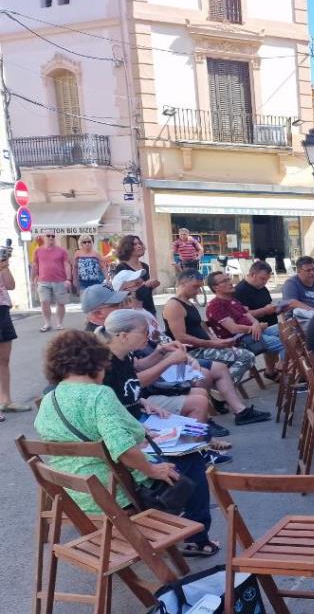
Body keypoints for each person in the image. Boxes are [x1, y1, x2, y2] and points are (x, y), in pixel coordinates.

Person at [35, 330, 218, 555]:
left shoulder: (48, 399)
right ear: (97, 361)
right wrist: (152, 470)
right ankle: (197, 540)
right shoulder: (98, 395)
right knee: (192, 458)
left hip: (73, 493)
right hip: (111, 494)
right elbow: (123, 450)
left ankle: (183, 531)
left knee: (170, 459)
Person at [162, 269, 265, 400]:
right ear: (183, 283)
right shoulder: (174, 305)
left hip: (205, 347)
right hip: (192, 352)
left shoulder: (188, 303)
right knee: (246, 356)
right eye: (195, 286)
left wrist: (215, 340)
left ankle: (220, 390)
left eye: (200, 287)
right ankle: (219, 391)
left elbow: (200, 326)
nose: (198, 291)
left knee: (243, 355)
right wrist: (211, 343)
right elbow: (180, 337)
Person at [205, 271, 283, 378]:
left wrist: (256, 325)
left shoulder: (233, 300)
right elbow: (234, 329)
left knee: (287, 328)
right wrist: (255, 327)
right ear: (216, 287)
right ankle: (286, 372)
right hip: (239, 341)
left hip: (253, 333)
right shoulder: (215, 305)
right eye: (225, 281)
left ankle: (275, 370)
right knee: (285, 343)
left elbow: (250, 317)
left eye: (229, 279)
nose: (230, 282)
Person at [0, 247, 29, 418]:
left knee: (4, 360)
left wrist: (5, 267)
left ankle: (6, 401)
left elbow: (11, 285)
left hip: (2, 310)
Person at [31, 232, 73, 332]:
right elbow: (35, 265)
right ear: (43, 237)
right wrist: (32, 280)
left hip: (59, 280)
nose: (51, 238)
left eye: (53, 236)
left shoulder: (62, 251)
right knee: (44, 301)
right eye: (48, 236)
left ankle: (59, 323)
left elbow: (66, 265)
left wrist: (68, 279)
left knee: (60, 303)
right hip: (43, 281)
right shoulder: (38, 250)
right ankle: (47, 323)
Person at [113, 234, 160, 315]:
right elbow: (124, 291)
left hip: (149, 307)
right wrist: (146, 285)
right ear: (127, 247)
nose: (139, 246)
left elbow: (146, 291)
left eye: (140, 243)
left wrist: (152, 285)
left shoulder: (145, 266)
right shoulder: (121, 267)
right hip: (133, 310)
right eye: (135, 244)